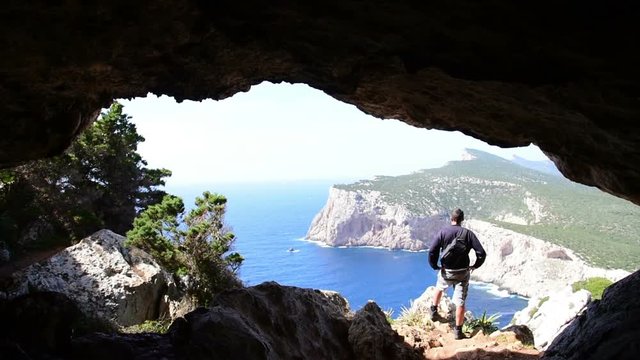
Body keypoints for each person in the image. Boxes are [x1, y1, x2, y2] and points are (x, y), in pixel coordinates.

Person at [428, 208, 486, 340]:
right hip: (462, 272)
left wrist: (434, 265)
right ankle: (458, 331)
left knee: (439, 286)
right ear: (462, 219)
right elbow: (481, 253)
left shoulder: (443, 232)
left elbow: (432, 251)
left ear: (451, 218)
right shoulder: (468, 234)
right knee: (460, 301)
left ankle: (433, 311)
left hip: (446, 270)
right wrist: (475, 265)